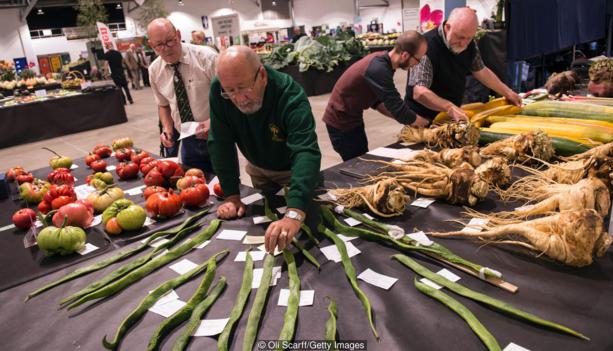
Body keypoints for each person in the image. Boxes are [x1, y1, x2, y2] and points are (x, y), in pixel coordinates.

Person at [207, 46, 321, 253]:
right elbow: (220, 142)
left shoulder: (290, 94)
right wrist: (231, 194)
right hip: (258, 168)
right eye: (230, 91)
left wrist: (294, 212)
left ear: (262, 75)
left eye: (243, 88)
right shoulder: (218, 90)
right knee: (267, 217)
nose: (239, 98)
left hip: (293, 172)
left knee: (306, 228)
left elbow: (305, 151)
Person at [322, 30, 427, 161]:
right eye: (418, 59)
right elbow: (396, 106)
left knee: (361, 158)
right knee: (358, 164)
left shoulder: (385, 63)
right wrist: (422, 123)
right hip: (341, 123)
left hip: (351, 119)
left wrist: (406, 117)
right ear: (405, 55)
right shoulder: (379, 69)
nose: (418, 64)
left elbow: (378, 102)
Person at [405, 7, 522, 125]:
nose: (464, 43)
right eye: (460, 37)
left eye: (469, 38)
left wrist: (508, 92)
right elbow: (419, 92)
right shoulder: (425, 46)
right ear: (447, 27)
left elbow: (481, 71)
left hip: (450, 117)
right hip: (421, 119)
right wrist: (449, 107)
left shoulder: (469, 43)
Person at [147, 18, 217, 174]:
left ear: (178, 35)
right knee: (194, 186)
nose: (166, 48)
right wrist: (167, 129)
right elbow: (163, 105)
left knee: (226, 187)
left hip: (216, 136)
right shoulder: (154, 70)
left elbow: (228, 97)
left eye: (170, 41)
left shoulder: (207, 58)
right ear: (151, 45)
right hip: (187, 140)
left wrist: (212, 121)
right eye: (159, 45)